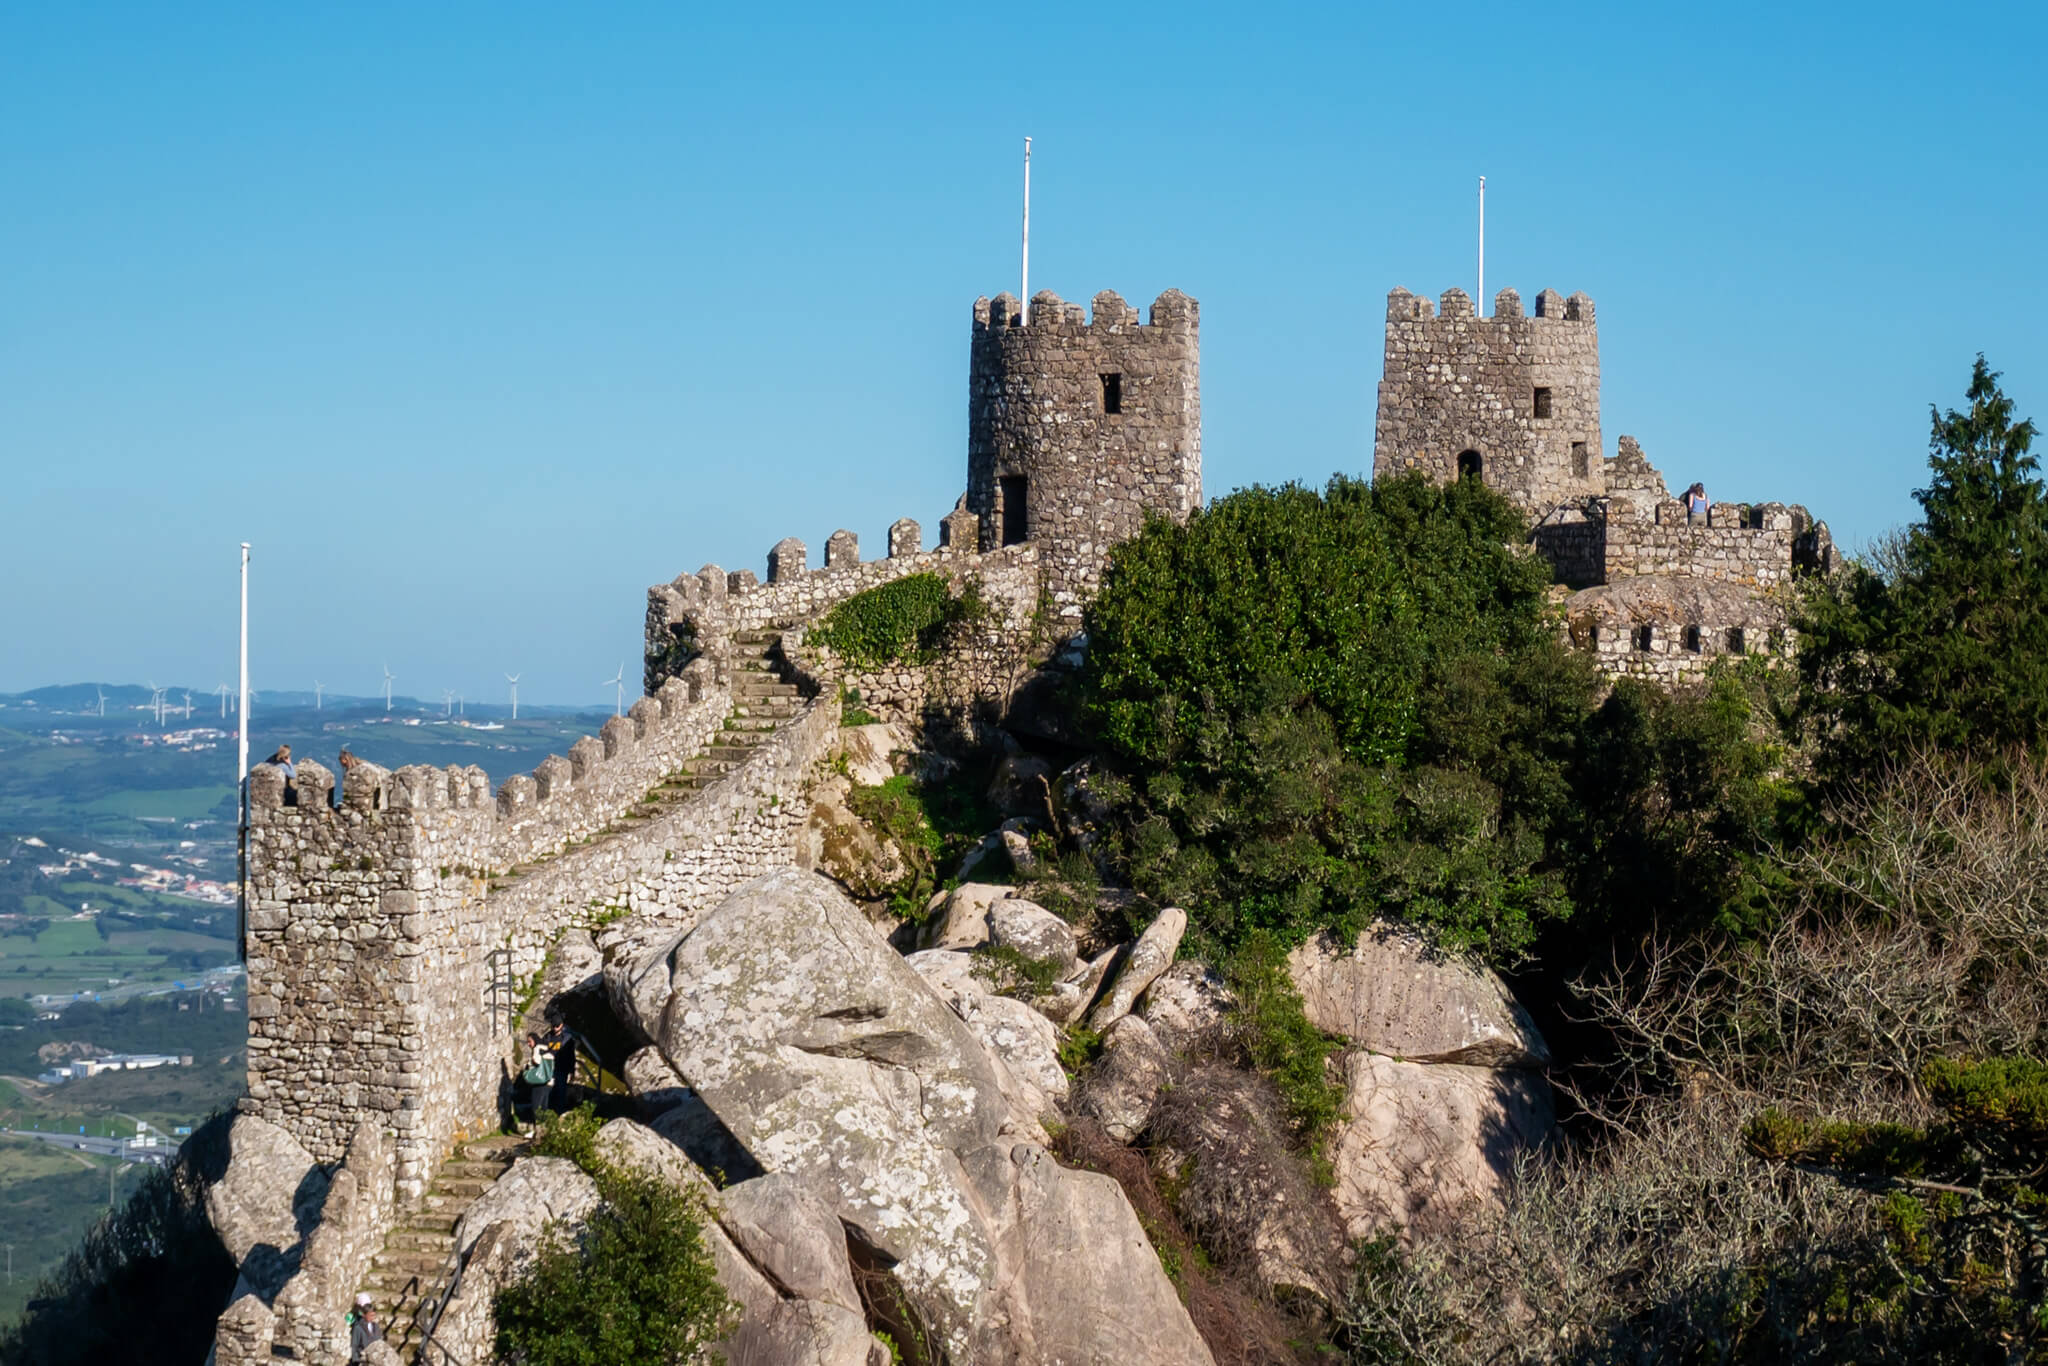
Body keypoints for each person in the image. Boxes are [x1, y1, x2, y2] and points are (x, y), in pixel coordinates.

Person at [519, 1032, 554, 1136]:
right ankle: (544, 1130)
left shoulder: (537, 1049)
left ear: (535, 1040)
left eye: (530, 1041)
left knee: (535, 1107)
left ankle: (536, 1131)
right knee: (544, 1107)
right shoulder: (547, 1048)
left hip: (539, 1082)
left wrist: (528, 1064)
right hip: (549, 1082)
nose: (528, 1044)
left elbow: (537, 1061)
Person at [546, 1019, 576, 1115]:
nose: (555, 1028)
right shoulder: (548, 1036)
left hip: (562, 1068)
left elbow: (571, 1056)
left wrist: (572, 1070)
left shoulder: (567, 1039)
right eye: (553, 1026)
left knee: (561, 1090)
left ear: (561, 1025)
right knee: (549, 1090)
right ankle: (548, 1110)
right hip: (549, 1067)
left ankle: (559, 1112)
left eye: (557, 1026)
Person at [348, 1292, 383, 1362]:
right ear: (364, 1315)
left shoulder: (376, 1326)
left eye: (374, 1315)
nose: (373, 1318)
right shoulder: (358, 1328)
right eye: (371, 1315)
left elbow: (380, 1342)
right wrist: (357, 1361)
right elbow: (354, 1346)